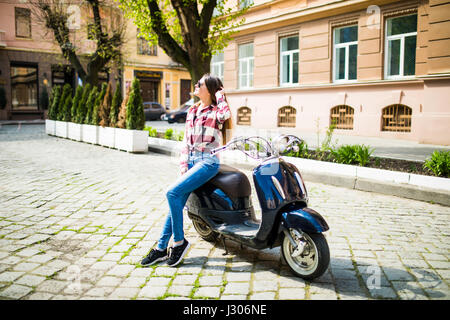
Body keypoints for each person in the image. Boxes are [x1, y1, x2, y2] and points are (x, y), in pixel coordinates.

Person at [141, 74, 232, 267]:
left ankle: (179, 243)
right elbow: (185, 142)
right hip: (190, 161)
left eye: (200, 84)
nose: (196, 85)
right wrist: (183, 165)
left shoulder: (215, 111)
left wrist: (221, 96)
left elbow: (226, 116)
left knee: (171, 192)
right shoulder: (192, 110)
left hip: (207, 162)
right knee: (176, 201)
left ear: (210, 90)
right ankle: (160, 248)